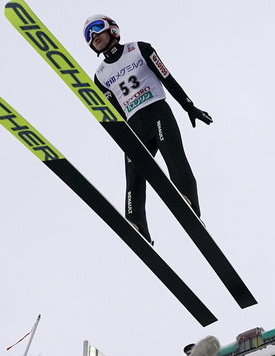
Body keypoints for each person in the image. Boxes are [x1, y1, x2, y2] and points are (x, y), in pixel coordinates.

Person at [85, 14, 213, 245]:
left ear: (112, 29)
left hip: (158, 114)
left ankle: (189, 203)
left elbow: (166, 77)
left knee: (175, 158)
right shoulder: (100, 76)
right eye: (88, 35)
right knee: (133, 176)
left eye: (96, 29)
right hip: (134, 126)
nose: (93, 36)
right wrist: (121, 134)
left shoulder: (140, 49)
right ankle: (136, 223)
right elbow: (114, 111)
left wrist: (189, 106)